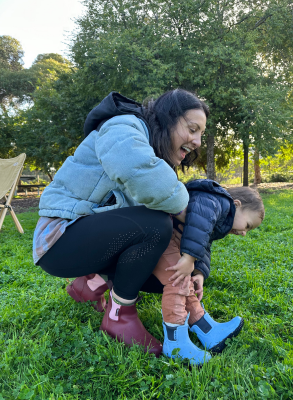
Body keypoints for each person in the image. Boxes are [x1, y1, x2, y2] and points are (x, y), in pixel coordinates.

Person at [33, 89, 209, 357]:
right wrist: (184, 208)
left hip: (89, 238)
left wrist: (198, 270)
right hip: (58, 239)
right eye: (193, 129)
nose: (197, 141)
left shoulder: (152, 153)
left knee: (167, 276)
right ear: (168, 118)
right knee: (156, 225)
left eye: (201, 135)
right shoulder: (123, 125)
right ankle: (118, 316)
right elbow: (137, 171)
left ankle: (89, 284)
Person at [153, 181, 265, 365]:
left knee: (185, 281)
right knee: (178, 281)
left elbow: (204, 241)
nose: (244, 233)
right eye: (248, 225)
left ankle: (206, 329)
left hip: (172, 240)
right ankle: (175, 343)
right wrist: (189, 258)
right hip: (161, 237)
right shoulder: (214, 201)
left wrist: (199, 271)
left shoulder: (219, 212)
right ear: (236, 204)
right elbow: (198, 224)